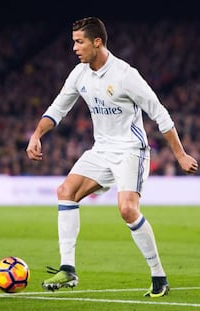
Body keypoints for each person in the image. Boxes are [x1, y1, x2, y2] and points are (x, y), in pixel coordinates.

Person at [26, 17, 198, 297]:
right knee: (65, 191)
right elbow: (57, 108)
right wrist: (36, 135)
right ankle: (68, 269)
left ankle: (158, 277)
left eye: (79, 42)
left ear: (97, 43)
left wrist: (179, 155)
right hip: (102, 149)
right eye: (73, 41)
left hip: (131, 149)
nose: (74, 48)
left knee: (128, 210)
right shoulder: (79, 73)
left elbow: (159, 112)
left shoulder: (125, 75)